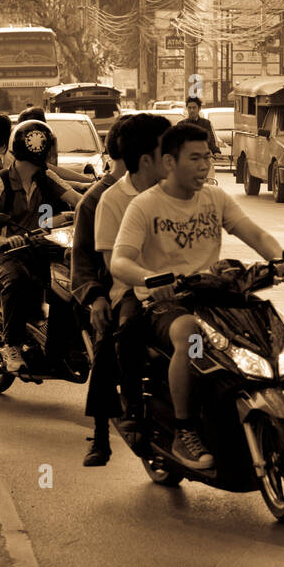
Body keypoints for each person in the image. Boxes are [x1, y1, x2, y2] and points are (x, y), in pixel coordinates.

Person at [109, 123, 284, 470]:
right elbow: (119, 261)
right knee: (190, 335)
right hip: (165, 303)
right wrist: (151, 279)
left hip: (212, 295)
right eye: (195, 158)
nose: (204, 166)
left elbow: (254, 233)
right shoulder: (144, 206)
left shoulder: (215, 198)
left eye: (207, 157)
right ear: (169, 162)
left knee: (267, 326)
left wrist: (279, 260)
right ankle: (184, 431)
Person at [0, 120, 83, 373]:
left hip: (37, 243)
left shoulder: (45, 177)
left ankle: (61, 344)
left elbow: (78, 201)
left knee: (70, 278)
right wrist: (4, 240)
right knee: (16, 280)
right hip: (3, 250)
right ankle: (11, 344)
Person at [93, 113, 171, 453]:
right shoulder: (110, 200)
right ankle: (134, 409)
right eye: (167, 151)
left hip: (180, 288)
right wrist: (151, 281)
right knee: (128, 331)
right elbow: (113, 265)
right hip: (131, 292)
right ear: (146, 160)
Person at [70, 114, 138, 466]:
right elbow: (80, 262)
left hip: (151, 289)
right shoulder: (97, 200)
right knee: (107, 347)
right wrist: (96, 297)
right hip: (109, 293)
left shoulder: (162, 193)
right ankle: (100, 437)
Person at [8, 106, 93, 185]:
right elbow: (53, 180)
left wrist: (87, 181)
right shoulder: (18, 158)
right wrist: (83, 183)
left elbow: (52, 172)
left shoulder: (34, 161)